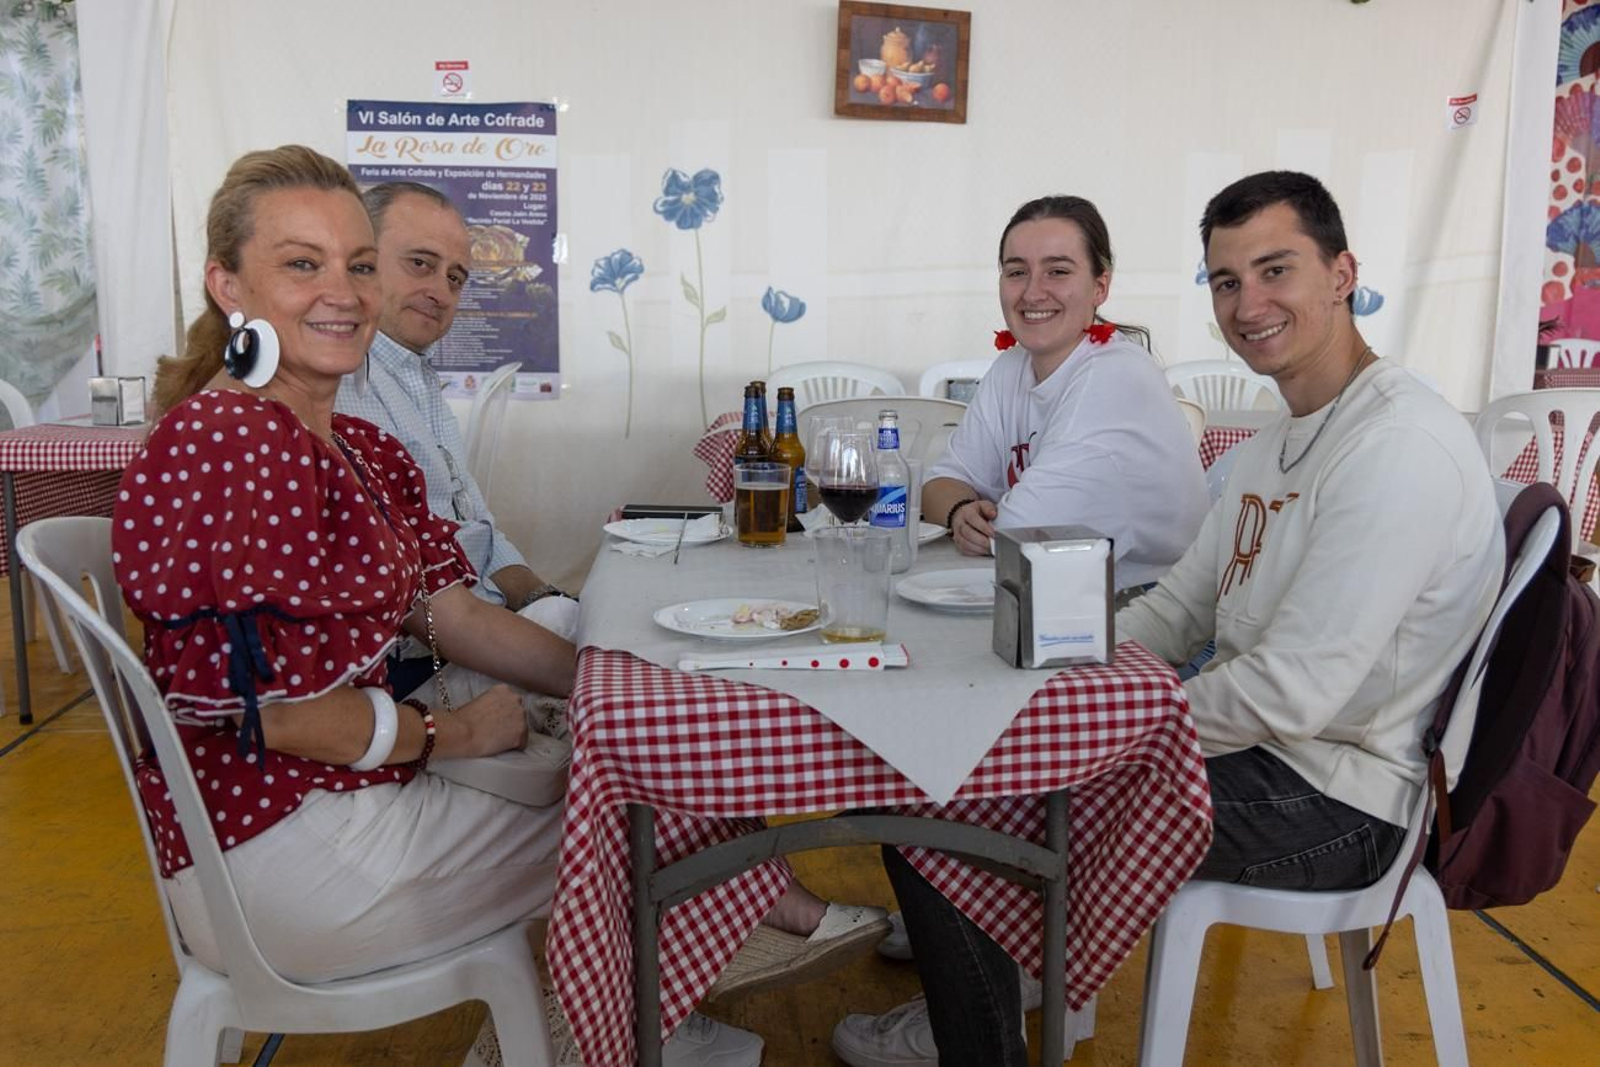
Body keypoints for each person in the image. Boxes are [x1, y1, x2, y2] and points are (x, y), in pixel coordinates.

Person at [119, 145, 772, 1066]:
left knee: (641, 766)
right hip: (283, 860)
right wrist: (451, 735)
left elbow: (450, 612)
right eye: (302, 264)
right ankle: (609, 1030)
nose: (342, 292)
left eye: (354, 264)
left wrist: (614, 681)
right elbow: (283, 712)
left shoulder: (344, 439)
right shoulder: (237, 441)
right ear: (228, 285)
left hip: (330, 811)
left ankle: (596, 1024)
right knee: (660, 806)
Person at [833, 172, 1503, 1066]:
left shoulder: (1397, 449)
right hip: (1265, 753)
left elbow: (1292, 692)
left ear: (1343, 273)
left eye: (1275, 271)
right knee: (953, 774)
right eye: (1227, 282)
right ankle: (994, 1002)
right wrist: (1073, 686)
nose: (1249, 304)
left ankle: (984, 1033)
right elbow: (1183, 604)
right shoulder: (1279, 437)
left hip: (1338, 797)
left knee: (949, 806)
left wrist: (1095, 724)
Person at [334, 181, 576, 698]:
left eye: (456, 277)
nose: (442, 292)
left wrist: (539, 597)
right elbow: (419, 605)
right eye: (420, 263)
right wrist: (579, 670)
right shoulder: (341, 384)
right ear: (359, 262)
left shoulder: (414, 377)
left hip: (462, 629)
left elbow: (477, 526)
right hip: (409, 673)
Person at [921, 195, 1209, 591]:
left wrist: (980, 522)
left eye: (1057, 271)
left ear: (1100, 286)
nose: (1033, 292)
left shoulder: (1116, 376)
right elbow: (938, 486)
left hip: (1150, 617)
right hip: (1057, 593)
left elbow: (1021, 531)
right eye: (1017, 272)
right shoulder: (1012, 367)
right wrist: (959, 512)